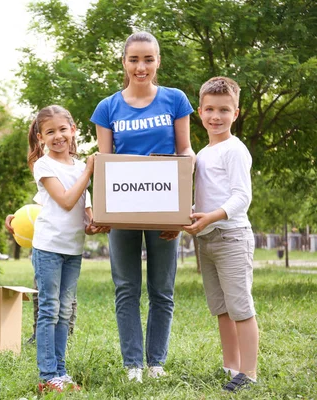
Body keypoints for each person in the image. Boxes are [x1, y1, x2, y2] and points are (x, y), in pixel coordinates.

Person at [91, 31, 196, 382]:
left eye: (148, 59)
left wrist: (182, 210)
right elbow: (104, 163)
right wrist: (103, 211)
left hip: (165, 207)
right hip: (123, 209)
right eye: (134, 59)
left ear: (158, 61)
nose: (141, 66)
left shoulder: (175, 100)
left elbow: (186, 152)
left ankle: (156, 364)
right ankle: (133, 364)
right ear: (124, 62)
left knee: (162, 290)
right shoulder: (108, 108)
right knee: (126, 289)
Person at [182, 77, 258, 392]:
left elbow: (242, 197)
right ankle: (231, 367)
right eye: (210, 109)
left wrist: (211, 217)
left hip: (232, 238)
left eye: (223, 110)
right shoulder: (202, 153)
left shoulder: (234, 150)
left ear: (235, 113)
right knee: (222, 309)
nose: (216, 116)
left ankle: (249, 374)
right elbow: (205, 197)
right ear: (200, 111)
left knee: (240, 307)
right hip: (208, 240)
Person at [28, 105, 108, 392]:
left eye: (63, 129)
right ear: (41, 138)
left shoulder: (77, 166)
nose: (58, 136)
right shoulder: (44, 165)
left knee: (64, 311)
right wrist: (89, 170)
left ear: (73, 130)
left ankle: (60, 372)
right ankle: (47, 374)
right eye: (50, 132)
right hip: (49, 247)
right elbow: (64, 200)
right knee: (49, 310)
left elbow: (83, 206)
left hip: (73, 248)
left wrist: (93, 222)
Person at [5, 207, 78, 344]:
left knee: (66, 295)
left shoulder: (79, 187)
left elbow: (85, 214)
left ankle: (65, 336)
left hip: (66, 245)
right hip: (44, 247)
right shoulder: (45, 187)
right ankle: (40, 335)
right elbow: (37, 212)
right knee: (40, 293)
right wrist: (17, 219)